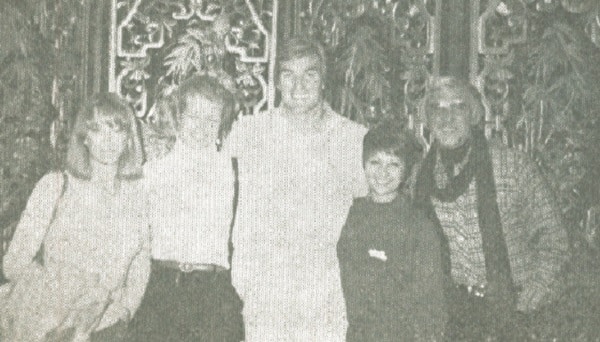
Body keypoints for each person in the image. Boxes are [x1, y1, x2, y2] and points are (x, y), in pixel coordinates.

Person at [225, 37, 367, 341]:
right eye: (289, 74)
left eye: (310, 74)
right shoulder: (248, 133)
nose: (298, 85)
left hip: (327, 295)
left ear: (324, 80)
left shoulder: (353, 139)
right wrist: (245, 280)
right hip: (265, 292)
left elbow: (369, 221)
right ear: (276, 81)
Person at [414, 76, 570, 340]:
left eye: (457, 106)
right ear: (427, 120)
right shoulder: (420, 177)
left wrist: (531, 298)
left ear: (474, 115)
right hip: (454, 321)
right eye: (437, 108)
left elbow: (555, 241)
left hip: (515, 315)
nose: (446, 117)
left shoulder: (513, 166)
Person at [0, 93, 150, 342]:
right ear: (85, 138)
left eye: (117, 130)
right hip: (50, 328)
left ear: (128, 141)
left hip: (107, 327)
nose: (108, 140)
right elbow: (13, 264)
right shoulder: (56, 185)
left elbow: (141, 261)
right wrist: (58, 298)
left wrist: (125, 309)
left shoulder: (138, 196)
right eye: (98, 130)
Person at [127, 74, 244, 342]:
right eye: (195, 116)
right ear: (179, 117)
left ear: (221, 125)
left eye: (211, 119)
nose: (202, 127)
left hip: (213, 296)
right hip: (161, 291)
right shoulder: (152, 173)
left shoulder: (234, 174)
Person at [337, 123, 447, 342]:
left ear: (405, 170)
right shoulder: (351, 214)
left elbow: (432, 305)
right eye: (375, 162)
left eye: (393, 164)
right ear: (364, 165)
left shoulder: (418, 225)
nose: (382, 173)